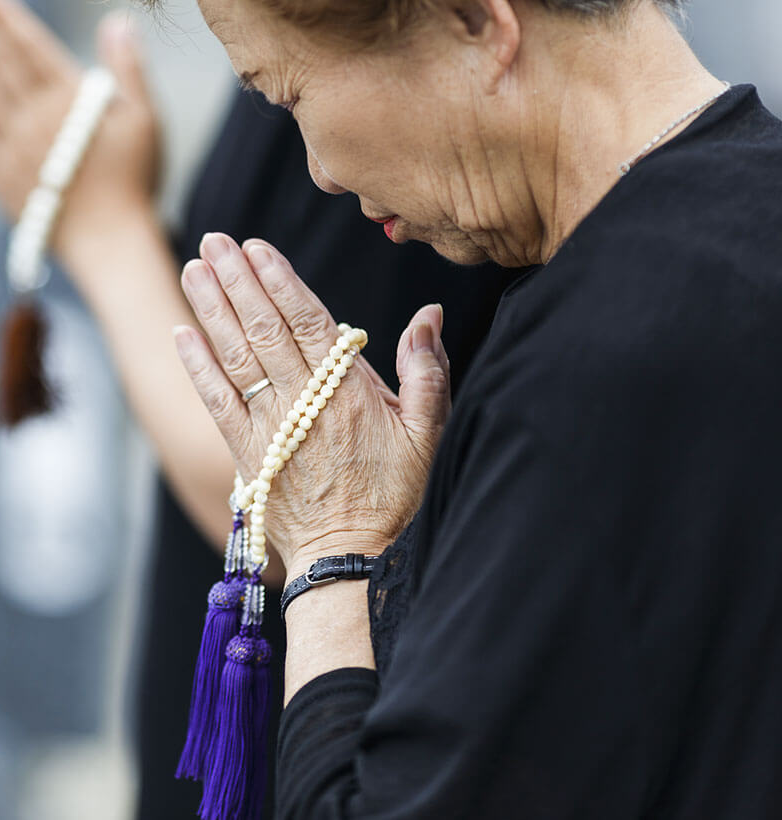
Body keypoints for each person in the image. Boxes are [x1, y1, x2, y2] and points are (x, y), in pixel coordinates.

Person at [167, 0, 782, 816]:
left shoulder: (600, 366)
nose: (318, 170)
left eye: (287, 94)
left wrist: (336, 550)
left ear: (473, 21)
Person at [0, 1, 519, 816]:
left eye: (287, 89)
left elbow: (293, 486)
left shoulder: (385, 116)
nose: (324, 169)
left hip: (325, 737)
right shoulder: (333, 85)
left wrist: (104, 228)